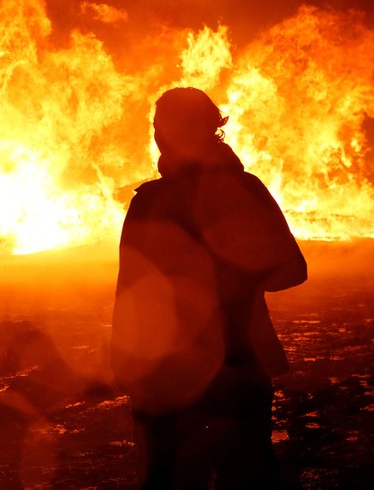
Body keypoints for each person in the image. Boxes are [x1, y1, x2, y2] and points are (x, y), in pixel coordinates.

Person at [111, 87, 307, 488]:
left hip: (173, 372)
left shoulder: (153, 201)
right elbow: (291, 270)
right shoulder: (245, 189)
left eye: (164, 127)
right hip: (234, 364)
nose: (159, 136)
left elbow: (131, 291)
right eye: (158, 127)